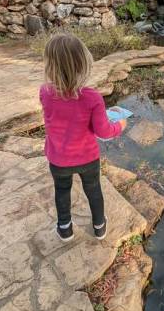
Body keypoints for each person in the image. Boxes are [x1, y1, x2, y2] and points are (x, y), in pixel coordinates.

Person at [40, 33, 126, 242]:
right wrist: (120, 124)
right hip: (87, 158)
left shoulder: (45, 92)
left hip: (58, 158)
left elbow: (58, 116)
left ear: (50, 66)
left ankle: (65, 228)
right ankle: (99, 226)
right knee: (93, 189)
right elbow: (104, 132)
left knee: (62, 190)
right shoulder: (92, 98)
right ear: (83, 65)